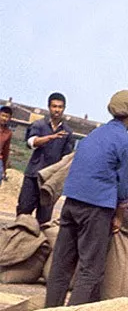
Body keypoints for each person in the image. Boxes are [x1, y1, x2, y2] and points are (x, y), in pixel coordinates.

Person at [44, 91, 128, 308]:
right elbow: (124, 187)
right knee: (90, 271)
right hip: (97, 208)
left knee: (61, 265)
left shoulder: (93, 136)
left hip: (71, 203)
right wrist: (119, 216)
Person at [17, 92, 75, 223]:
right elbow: (31, 142)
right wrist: (50, 137)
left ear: (64, 109)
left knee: (44, 217)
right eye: (54, 106)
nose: (57, 110)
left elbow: (65, 158)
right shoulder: (39, 125)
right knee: (24, 210)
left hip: (50, 181)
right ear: (49, 107)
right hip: (33, 175)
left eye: (60, 107)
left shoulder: (68, 132)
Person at [0, 104, 13, 182]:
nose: (4, 118)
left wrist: (4, 168)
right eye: (2, 115)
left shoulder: (8, 133)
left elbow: (6, 151)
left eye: (7, 117)